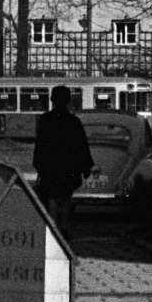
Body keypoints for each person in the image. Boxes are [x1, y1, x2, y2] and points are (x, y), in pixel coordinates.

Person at [32, 84, 94, 237]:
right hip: (69, 166)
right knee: (66, 196)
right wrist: (85, 166)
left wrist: (39, 164)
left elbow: (40, 144)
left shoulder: (45, 120)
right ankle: (64, 227)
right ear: (68, 101)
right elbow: (82, 145)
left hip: (50, 165)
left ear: (52, 100)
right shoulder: (74, 121)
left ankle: (53, 228)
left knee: (52, 196)